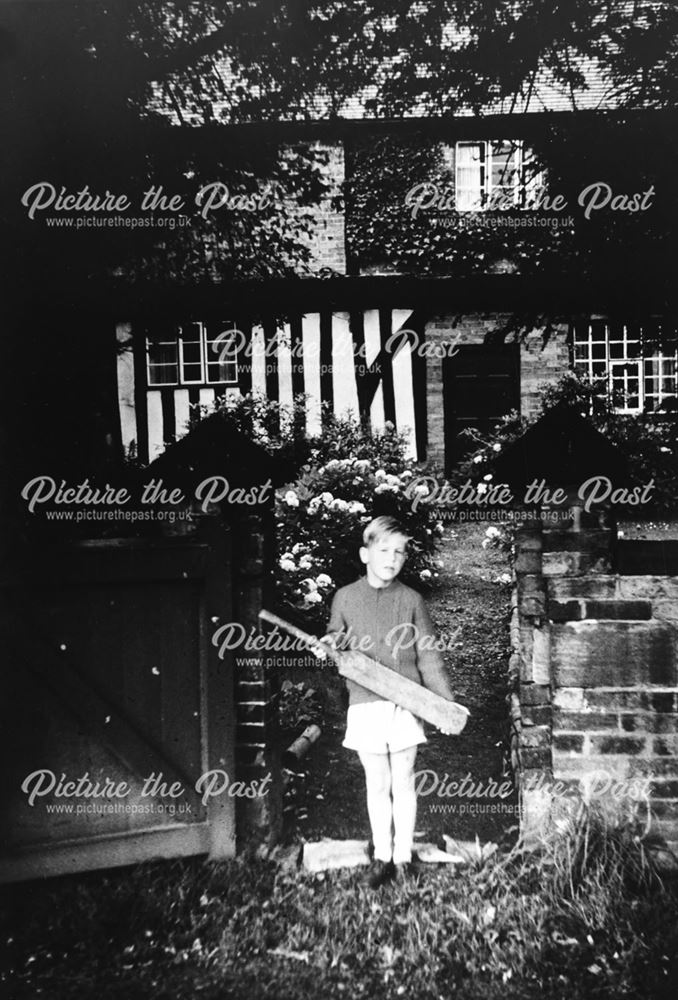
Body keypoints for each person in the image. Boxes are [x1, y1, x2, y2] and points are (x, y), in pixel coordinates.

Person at [322, 515, 456, 888]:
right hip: (365, 703)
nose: (392, 558)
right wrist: (332, 644)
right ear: (366, 554)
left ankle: (403, 856)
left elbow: (429, 657)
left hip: (404, 705)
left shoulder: (412, 601)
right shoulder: (346, 597)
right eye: (384, 550)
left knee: (404, 780)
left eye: (399, 552)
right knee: (377, 782)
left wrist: (444, 706)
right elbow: (336, 639)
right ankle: (381, 854)